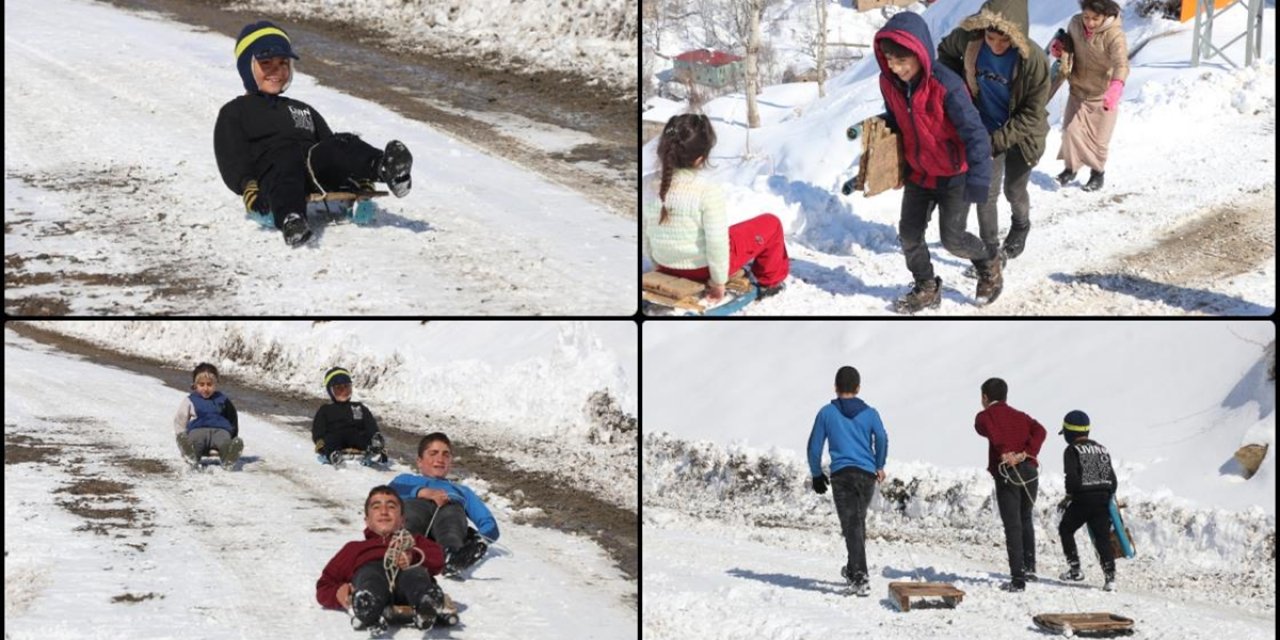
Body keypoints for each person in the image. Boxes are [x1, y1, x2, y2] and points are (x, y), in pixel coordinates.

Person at [214, 21, 414, 246]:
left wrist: (359, 179)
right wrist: (247, 185)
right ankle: (292, 219)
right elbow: (231, 155)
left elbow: (329, 147)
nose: (276, 71)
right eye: (266, 63)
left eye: (283, 63)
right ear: (246, 67)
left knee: (341, 142)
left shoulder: (301, 108)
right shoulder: (236, 111)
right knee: (285, 159)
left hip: (314, 170)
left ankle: (385, 168)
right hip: (275, 174)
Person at [872, 12, 999, 312]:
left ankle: (988, 262)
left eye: (902, 61)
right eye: (890, 59)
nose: (895, 67)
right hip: (920, 173)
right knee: (909, 235)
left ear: (919, 54)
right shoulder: (888, 82)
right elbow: (899, 119)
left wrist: (980, 181)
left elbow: (976, 135)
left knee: (953, 240)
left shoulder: (947, 86)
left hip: (955, 174)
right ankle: (927, 285)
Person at [937, 0, 1051, 274]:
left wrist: (996, 140)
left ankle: (1021, 223)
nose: (997, 45)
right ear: (982, 30)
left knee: (1014, 190)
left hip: (1023, 136)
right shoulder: (969, 39)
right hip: (985, 127)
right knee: (986, 194)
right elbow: (944, 54)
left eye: (1005, 40)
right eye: (991, 37)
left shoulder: (1033, 60)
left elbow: (1031, 115)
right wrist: (959, 93)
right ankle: (991, 253)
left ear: (1017, 35)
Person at [643, 113, 790, 303]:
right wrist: (719, 283)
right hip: (701, 269)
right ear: (700, 159)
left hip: (663, 264)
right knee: (771, 223)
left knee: (722, 232)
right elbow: (717, 243)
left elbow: (645, 232)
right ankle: (770, 281)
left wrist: (658, 266)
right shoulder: (706, 191)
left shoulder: (647, 184)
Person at [316, 485, 447, 632]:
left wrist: (413, 556)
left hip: (408, 583)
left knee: (415, 574)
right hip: (372, 580)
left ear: (402, 520)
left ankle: (426, 602)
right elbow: (324, 586)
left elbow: (438, 559)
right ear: (367, 520)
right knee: (370, 574)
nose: (384, 512)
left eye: (391, 506)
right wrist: (338, 593)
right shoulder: (354, 549)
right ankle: (368, 604)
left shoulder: (414, 541)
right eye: (376, 507)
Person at [806, 366, 888, 597]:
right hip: (866, 474)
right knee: (857, 522)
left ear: (835, 387)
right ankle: (853, 569)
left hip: (842, 475)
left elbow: (814, 446)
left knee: (851, 524)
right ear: (858, 388)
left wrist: (816, 473)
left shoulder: (826, 413)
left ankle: (860, 577)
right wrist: (879, 464)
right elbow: (881, 437)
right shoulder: (871, 413)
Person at [390, 433, 499, 577]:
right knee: (412, 513)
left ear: (451, 462)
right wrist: (423, 492)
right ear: (419, 461)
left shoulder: (461, 491)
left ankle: (452, 556)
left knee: (451, 518)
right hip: (416, 509)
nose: (440, 459)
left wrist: (481, 539)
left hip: (448, 513)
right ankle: (404, 549)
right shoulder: (407, 479)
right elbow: (388, 494)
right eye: (433, 453)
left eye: (446, 455)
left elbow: (488, 522)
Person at [974, 377, 1046, 592]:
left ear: (985, 397)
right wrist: (1026, 452)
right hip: (1030, 470)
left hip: (1007, 472)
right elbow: (1041, 431)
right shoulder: (1021, 416)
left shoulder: (985, 415)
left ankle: (1017, 579)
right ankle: (1030, 567)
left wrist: (1006, 451)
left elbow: (985, 428)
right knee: (1026, 517)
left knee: (1012, 523)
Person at [1049, 0, 1129, 192]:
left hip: (1103, 95)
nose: (1090, 23)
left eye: (1095, 19)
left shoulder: (1114, 35)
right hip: (1078, 89)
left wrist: (1116, 86)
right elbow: (1068, 44)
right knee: (1070, 132)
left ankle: (1097, 173)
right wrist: (1059, 47)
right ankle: (1070, 169)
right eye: (1087, 17)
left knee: (1099, 140)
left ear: (1106, 16)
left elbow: (1121, 64)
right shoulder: (1076, 24)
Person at [1056, 410, 1118, 591]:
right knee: (1102, 539)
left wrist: (1069, 497)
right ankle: (1110, 577)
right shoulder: (1101, 449)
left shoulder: (1072, 450)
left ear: (1068, 433)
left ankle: (1075, 568)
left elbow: (1072, 478)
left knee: (1066, 529)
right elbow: (1112, 480)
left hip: (1083, 499)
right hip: (1103, 499)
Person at [173, 362, 243, 467]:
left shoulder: (223, 400)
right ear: (195, 385)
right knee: (196, 441)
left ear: (215, 385)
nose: (206, 389)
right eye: (201, 385)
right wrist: (182, 435)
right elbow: (180, 419)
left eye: (209, 385)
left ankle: (228, 456)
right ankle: (191, 454)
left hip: (220, 430)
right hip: (198, 429)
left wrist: (232, 436)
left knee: (224, 441)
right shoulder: (191, 400)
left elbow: (232, 418)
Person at [312, 367, 386, 464]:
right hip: (336, 437)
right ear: (331, 391)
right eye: (339, 389)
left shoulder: (358, 407)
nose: (343, 392)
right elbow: (318, 430)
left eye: (346, 388)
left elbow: (369, 424)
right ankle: (332, 454)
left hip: (355, 436)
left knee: (363, 437)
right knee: (330, 440)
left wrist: (375, 435)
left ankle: (375, 453)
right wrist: (320, 443)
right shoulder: (326, 410)